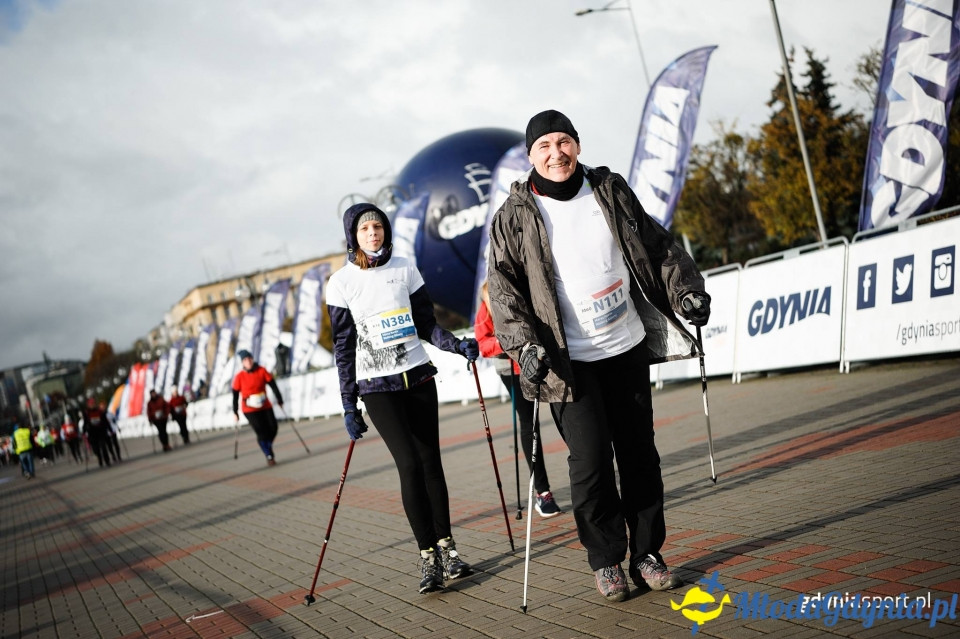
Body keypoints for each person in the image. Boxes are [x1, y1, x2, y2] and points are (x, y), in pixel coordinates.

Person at [487, 110, 711, 603]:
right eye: (544, 145)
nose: (556, 153)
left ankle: (648, 553)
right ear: (531, 157)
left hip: (624, 346)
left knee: (639, 456)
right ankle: (607, 560)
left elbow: (656, 246)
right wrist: (524, 346)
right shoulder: (514, 216)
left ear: (578, 146)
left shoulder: (609, 190)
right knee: (589, 465)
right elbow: (502, 290)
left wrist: (686, 291)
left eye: (563, 141)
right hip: (567, 363)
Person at [327, 203, 481, 594]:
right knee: (409, 464)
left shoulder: (406, 269)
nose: (373, 233)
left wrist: (456, 345)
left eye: (378, 226)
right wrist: (349, 403)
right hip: (378, 387)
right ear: (353, 236)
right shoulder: (341, 283)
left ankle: (449, 551)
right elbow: (343, 349)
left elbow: (427, 324)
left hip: (418, 376)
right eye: (365, 229)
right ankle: (427, 557)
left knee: (432, 462)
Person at [474, 281, 562, 518]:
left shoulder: (523, 284)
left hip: (543, 360)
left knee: (563, 413)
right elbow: (482, 343)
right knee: (529, 424)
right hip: (511, 370)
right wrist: (505, 344)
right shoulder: (487, 294)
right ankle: (542, 493)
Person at [232, 350, 284, 466]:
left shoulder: (261, 370)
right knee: (261, 432)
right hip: (250, 409)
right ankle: (268, 454)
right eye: (245, 360)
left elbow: (273, 385)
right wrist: (235, 412)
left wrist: (280, 399)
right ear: (242, 363)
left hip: (265, 405)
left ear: (252, 359)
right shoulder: (239, 377)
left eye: (249, 358)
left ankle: (267, 445)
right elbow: (235, 396)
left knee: (273, 428)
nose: (248, 361)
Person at [82, 397, 112, 467]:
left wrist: (109, 429)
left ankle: (107, 460)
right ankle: (99, 458)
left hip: (101, 431)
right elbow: (85, 422)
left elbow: (105, 421)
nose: (92, 405)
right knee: (96, 448)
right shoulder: (86, 413)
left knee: (103, 446)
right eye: (91, 404)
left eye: (93, 403)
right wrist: (84, 431)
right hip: (92, 433)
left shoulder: (100, 411)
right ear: (88, 405)